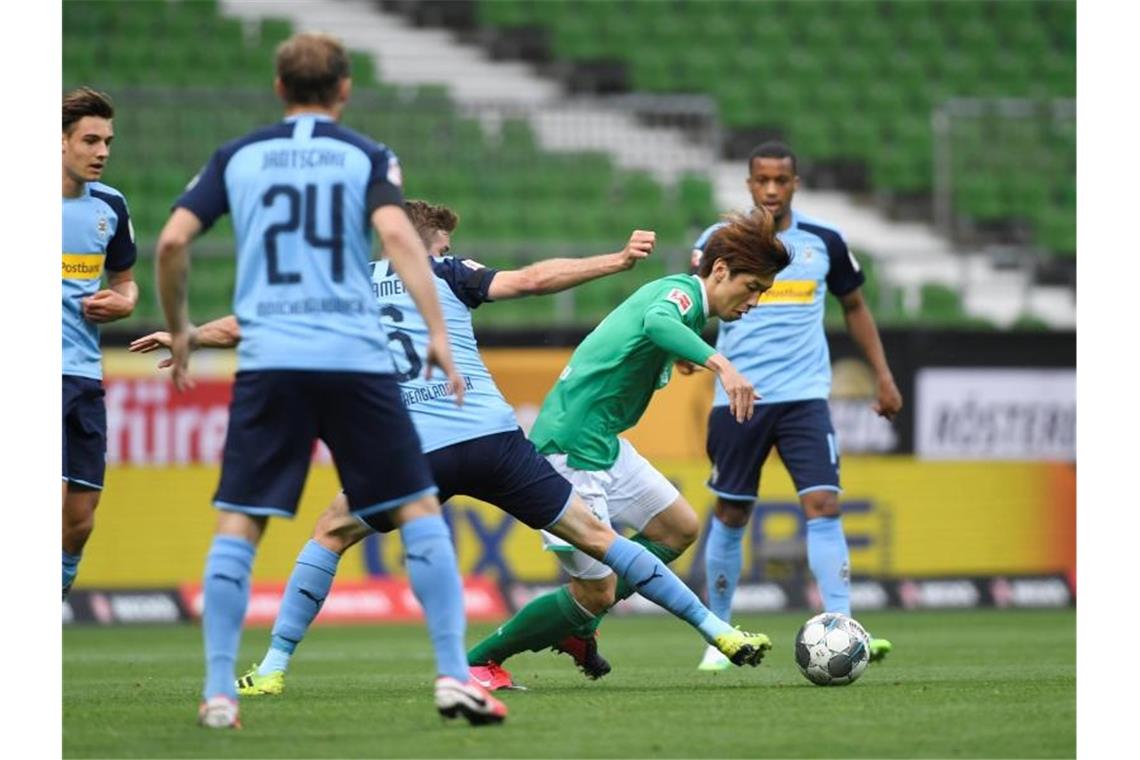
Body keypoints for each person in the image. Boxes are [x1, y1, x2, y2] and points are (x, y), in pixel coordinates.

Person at [133, 200, 773, 698]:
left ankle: (271, 668)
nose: (451, 252)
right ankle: (716, 630)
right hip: (493, 437)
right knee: (602, 541)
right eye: (444, 245)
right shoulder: (445, 273)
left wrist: (189, 335)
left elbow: (256, 325)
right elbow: (530, 279)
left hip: (410, 452)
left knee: (331, 532)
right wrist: (610, 262)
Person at [153, 33, 505, 729]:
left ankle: (221, 691)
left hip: (273, 358)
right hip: (351, 358)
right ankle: (451, 676)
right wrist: (437, 332)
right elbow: (402, 240)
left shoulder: (237, 157)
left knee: (240, 522)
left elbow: (169, 243)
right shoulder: (367, 156)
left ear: (279, 89)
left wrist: (184, 328)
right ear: (344, 89)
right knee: (417, 512)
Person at [462, 207, 792, 689]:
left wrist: (680, 354)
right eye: (754, 287)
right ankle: (481, 660)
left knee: (678, 527)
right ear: (720, 271)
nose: (755, 301)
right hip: (569, 448)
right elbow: (659, 322)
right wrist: (721, 364)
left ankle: (580, 623)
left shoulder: (689, 306)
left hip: (603, 445)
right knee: (596, 591)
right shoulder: (678, 293)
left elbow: (654, 335)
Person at [692, 141, 903, 672]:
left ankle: (845, 627)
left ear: (794, 184)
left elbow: (855, 305)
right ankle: (719, 637)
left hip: (805, 396)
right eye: (761, 180)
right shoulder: (719, 241)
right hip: (739, 397)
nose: (770, 189)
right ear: (747, 184)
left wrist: (882, 375)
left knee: (824, 505)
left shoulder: (824, 241)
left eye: (780, 180)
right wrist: (683, 354)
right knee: (732, 510)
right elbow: (692, 300)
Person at [62, 87, 139, 602]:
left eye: (107, 141)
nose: (102, 152)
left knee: (80, 522)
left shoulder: (110, 206)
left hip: (85, 377)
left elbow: (126, 282)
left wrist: (124, 302)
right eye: (90, 140)